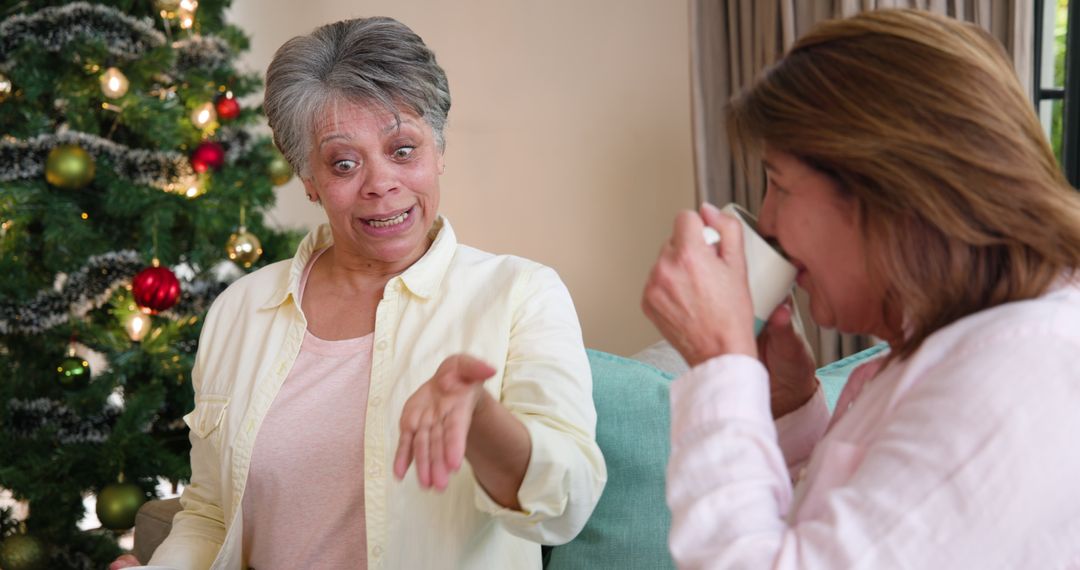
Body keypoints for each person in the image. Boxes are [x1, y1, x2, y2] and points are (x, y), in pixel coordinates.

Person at [112, 16, 605, 569]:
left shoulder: (521, 293)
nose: (379, 183)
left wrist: (481, 419)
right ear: (308, 179)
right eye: (344, 163)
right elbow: (209, 512)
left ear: (438, 152)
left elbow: (566, 506)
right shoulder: (241, 310)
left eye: (402, 150)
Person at [642, 9, 1080, 569]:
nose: (767, 222)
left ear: (890, 194)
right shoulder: (957, 344)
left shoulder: (1018, 377)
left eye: (779, 184)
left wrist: (718, 367)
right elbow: (859, 528)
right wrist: (792, 409)